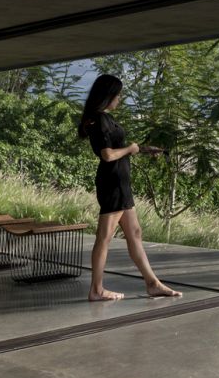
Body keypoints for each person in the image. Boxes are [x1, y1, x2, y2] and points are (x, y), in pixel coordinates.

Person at [77, 74, 182, 302]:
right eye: (118, 95)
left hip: (120, 183)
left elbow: (120, 148)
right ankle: (96, 289)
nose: (120, 99)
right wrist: (131, 149)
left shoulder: (102, 119)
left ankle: (152, 284)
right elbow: (107, 155)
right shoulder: (100, 119)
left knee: (135, 233)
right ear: (108, 96)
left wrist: (143, 149)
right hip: (112, 183)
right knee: (104, 237)